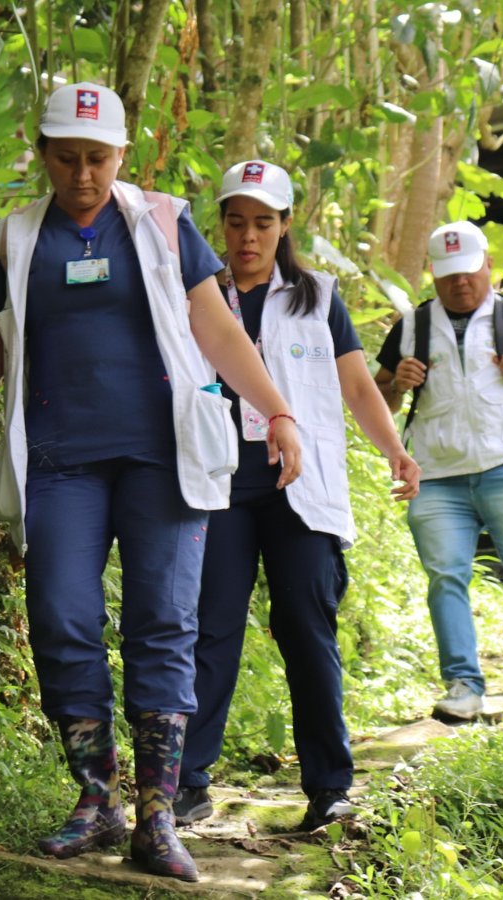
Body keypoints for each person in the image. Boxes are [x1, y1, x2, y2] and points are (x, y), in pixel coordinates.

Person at [0, 84, 303, 883]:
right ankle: (98, 799)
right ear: (43, 153)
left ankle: (159, 815)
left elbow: (214, 326)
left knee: (164, 621)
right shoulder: (13, 240)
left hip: (163, 456)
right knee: (61, 615)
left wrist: (277, 414)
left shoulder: (162, 223)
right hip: (60, 460)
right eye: (67, 158)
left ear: (123, 154)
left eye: (97, 158)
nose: (83, 174)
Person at [173, 161, 421, 830]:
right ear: (219, 224)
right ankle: (189, 784)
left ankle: (329, 788)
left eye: (263, 222)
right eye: (235, 221)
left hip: (300, 491)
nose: (248, 236)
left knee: (307, 631)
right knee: (211, 630)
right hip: (219, 485)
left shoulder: (316, 296)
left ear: (284, 226)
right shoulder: (196, 293)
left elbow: (360, 389)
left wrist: (395, 450)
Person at [374, 221, 503, 720]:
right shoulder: (411, 326)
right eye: (447, 275)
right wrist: (397, 384)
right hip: (435, 473)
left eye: (468, 271)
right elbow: (375, 394)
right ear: (433, 274)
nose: (460, 283)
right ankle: (464, 686)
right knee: (445, 577)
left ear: (487, 263)